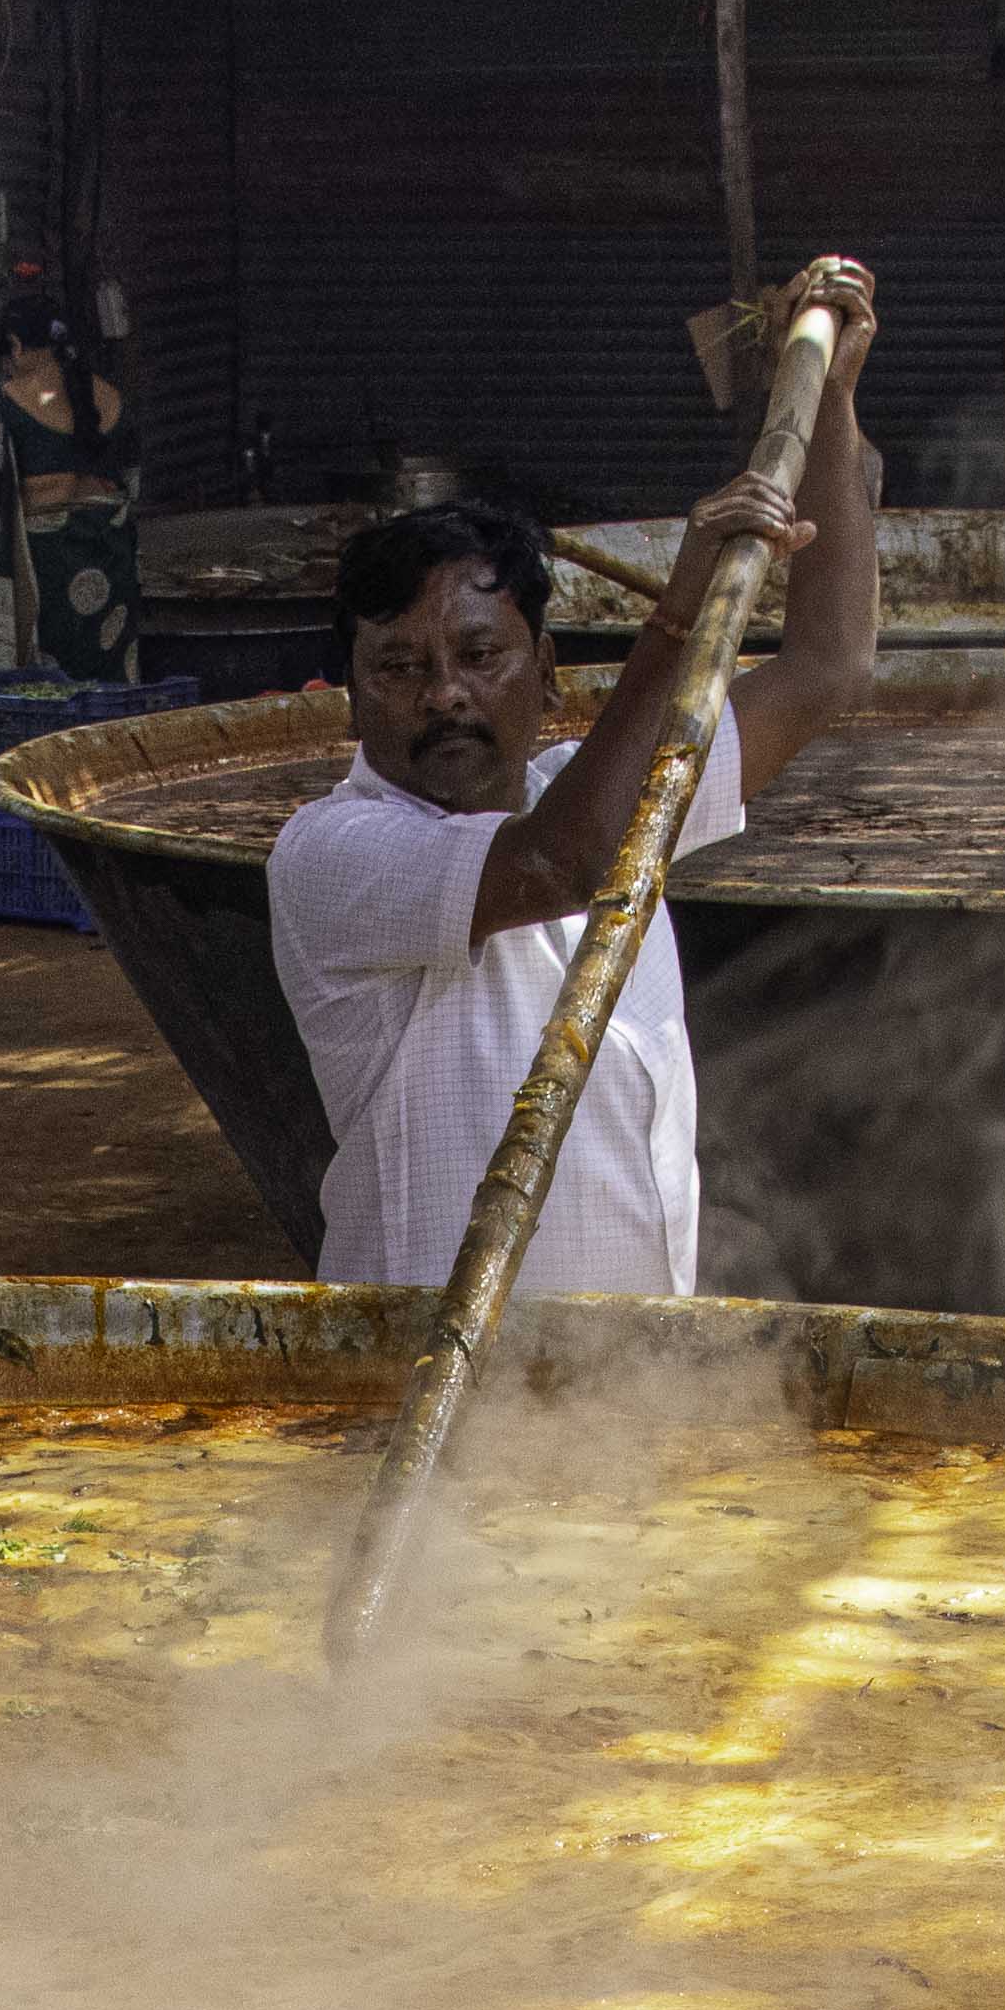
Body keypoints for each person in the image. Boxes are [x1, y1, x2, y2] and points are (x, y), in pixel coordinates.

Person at [263, 299, 881, 1303]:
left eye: (477, 655)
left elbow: (826, 666)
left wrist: (833, 398)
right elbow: (566, 863)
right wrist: (676, 617)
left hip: (629, 1391)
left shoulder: (591, 791)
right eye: (399, 668)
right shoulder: (336, 851)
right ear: (352, 699)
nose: (445, 694)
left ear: (547, 673)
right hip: (435, 1385)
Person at [0, 273, 142, 682]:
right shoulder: (114, 399)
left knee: (52, 689)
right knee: (106, 679)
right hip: (112, 568)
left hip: (49, 573)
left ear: (16, 347)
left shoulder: (8, 402)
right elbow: (132, 483)